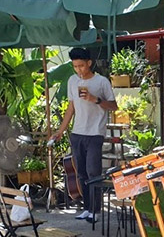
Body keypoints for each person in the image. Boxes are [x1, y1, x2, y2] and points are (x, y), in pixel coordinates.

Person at [49, 48, 118, 222]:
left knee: (93, 171)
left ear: (89, 63)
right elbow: (71, 108)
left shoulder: (101, 82)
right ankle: (87, 208)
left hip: (95, 133)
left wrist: (95, 100)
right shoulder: (72, 81)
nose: (78, 70)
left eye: (81, 65)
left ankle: (95, 210)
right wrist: (60, 131)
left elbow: (114, 106)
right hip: (77, 133)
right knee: (81, 174)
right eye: (75, 66)